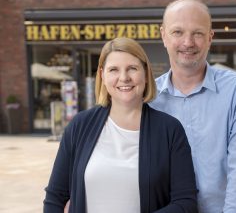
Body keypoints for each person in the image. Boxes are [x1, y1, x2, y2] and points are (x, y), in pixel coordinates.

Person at [43, 37, 198, 213]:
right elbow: (55, 198)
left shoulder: (169, 130)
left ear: (146, 74)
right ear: (102, 75)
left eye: (132, 68)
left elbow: (186, 202)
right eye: (113, 70)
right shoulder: (80, 126)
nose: (124, 78)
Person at [150, 0, 236, 213]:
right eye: (178, 32)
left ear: (210, 38)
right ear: (163, 35)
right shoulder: (148, 98)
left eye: (198, 33)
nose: (188, 42)